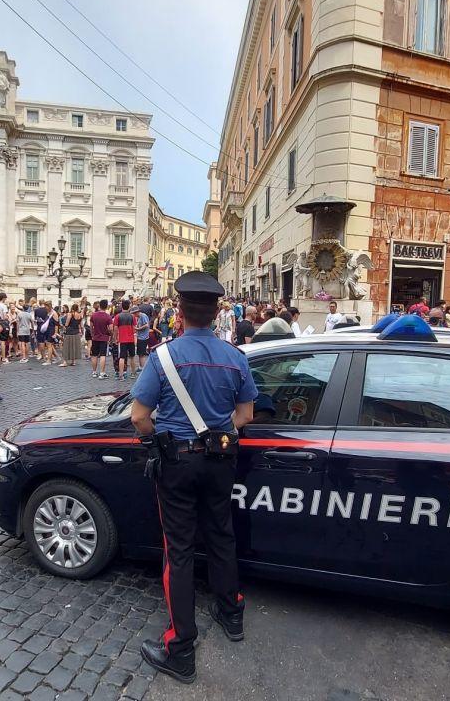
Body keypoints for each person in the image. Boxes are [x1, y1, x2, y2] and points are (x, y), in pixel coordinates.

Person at [130, 271, 257, 684]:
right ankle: (230, 614)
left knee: (179, 550)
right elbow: (246, 416)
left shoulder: (163, 357)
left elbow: (139, 417)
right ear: (217, 312)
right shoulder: (236, 357)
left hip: (178, 462)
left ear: (180, 312)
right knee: (222, 535)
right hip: (221, 459)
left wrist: (159, 441)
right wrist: (223, 434)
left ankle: (181, 647)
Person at [113, 300, 137, 380]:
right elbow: (134, 329)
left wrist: (115, 338)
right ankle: (133, 374)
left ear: (122, 306)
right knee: (132, 357)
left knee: (122, 357)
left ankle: (121, 375)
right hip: (131, 339)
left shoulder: (118, 316)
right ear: (129, 306)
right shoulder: (132, 316)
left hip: (122, 339)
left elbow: (115, 329)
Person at [89, 299, 113, 379]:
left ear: (99, 305)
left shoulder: (94, 315)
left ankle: (94, 372)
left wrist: (92, 334)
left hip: (95, 337)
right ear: (106, 306)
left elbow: (91, 326)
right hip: (104, 338)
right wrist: (111, 336)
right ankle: (102, 373)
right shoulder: (108, 317)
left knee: (94, 355)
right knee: (103, 355)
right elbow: (110, 329)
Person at [134, 305, 150, 372]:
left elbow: (146, 325)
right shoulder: (140, 316)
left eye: (134, 313)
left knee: (142, 354)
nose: (134, 315)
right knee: (140, 353)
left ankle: (142, 368)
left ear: (137, 312)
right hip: (141, 336)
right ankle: (141, 367)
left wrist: (138, 328)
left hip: (143, 337)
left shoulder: (143, 316)